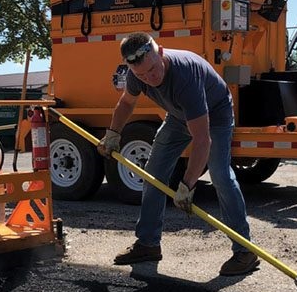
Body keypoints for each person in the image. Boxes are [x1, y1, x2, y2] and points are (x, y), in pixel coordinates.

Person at [97, 31, 259, 276]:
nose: (150, 78)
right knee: (153, 175)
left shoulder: (185, 76)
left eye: (153, 69)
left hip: (216, 113)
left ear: (160, 52)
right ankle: (148, 244)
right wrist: (113, 134)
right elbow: (127, 103)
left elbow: (202, 140)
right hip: (178, 116)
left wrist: (188, 184)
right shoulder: (136, 74)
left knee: (220, 175)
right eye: (142, 75)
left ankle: (245, 251)